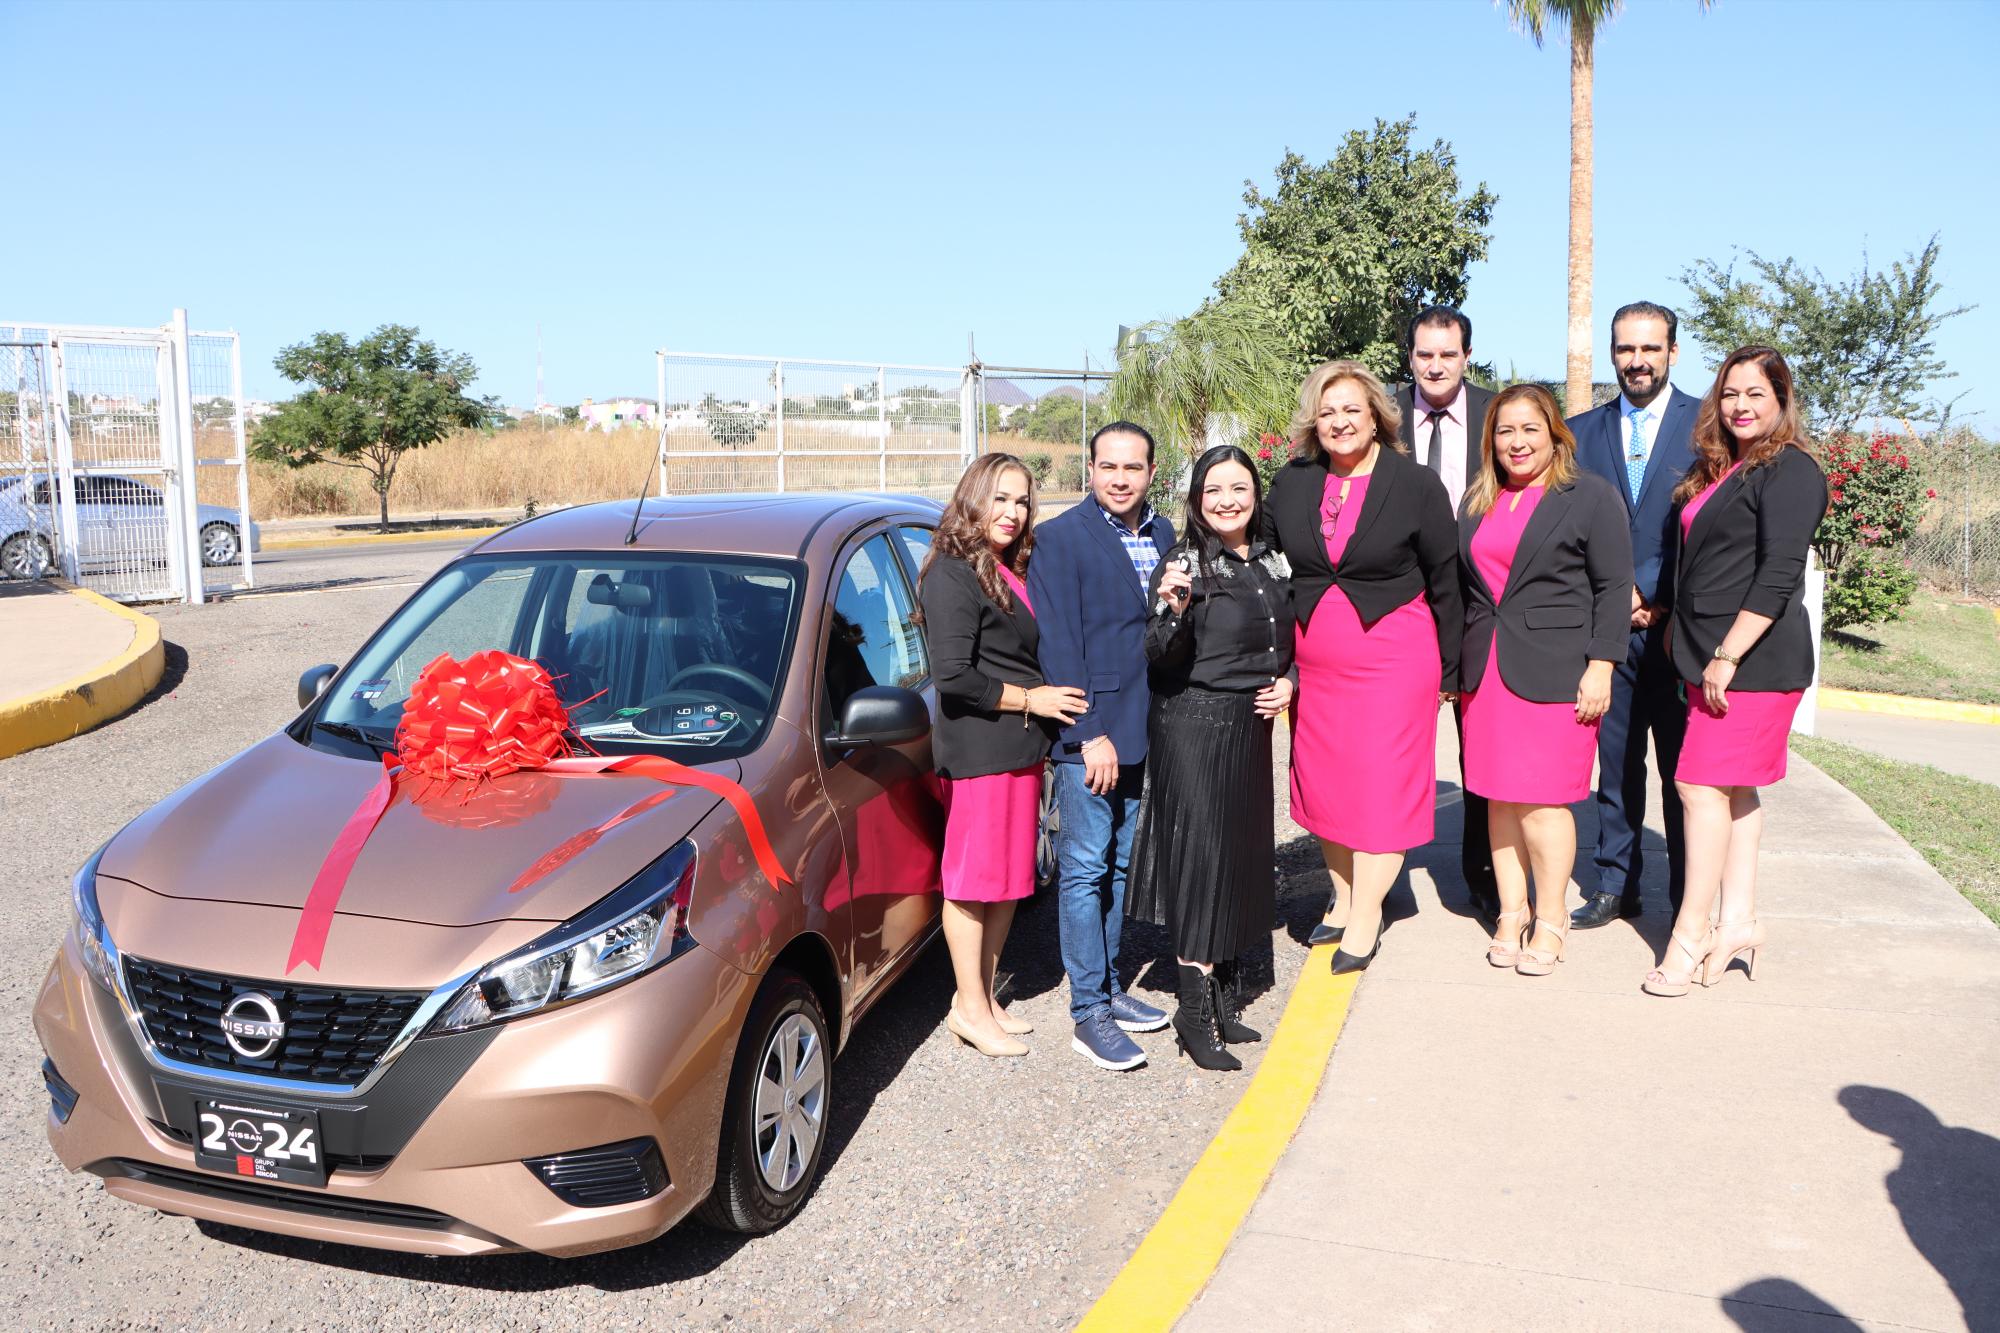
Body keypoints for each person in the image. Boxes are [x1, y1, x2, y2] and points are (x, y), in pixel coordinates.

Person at [1265, 361, 1462, 974]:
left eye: (1352, 409)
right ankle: (1344, 893)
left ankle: (1368, 912)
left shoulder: (1415, 483)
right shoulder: (1293, 481)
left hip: (1393, 660)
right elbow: (1264, 554)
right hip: (1315, 666)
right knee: (1324, 782)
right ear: (1313, 423)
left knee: (1379, 788)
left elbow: (1446, 579)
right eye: (1327, 413)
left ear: (1377, 414)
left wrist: (1452, 672)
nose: (1340, 422)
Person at [1643, 346, 1829, 997]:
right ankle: (1739, 921)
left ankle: (1691, 931)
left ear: (1781, 398)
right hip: (1709, 658)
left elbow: (1779, 574)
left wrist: (1728, 652)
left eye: (1756, 392)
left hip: (1752, 663)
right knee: (1736, 790)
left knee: (1697, 786)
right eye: (1730, 393)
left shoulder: (1792, 470)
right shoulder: (1730, 468)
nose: (1742, 405)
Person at [1128, 445, 1296, 1071]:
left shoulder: (1273, 560)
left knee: (1239, 857)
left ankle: (1226, 997)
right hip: (1194, 725)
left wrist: (1291, 680)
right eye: (1213, 490)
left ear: (1256, 492)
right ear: (1197, 500)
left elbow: (1287, 637)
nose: (1227, 500)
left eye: (1239, 487)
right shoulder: (1185, 562)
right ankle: (1193, 1015)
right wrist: (1172, 610)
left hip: (1249, 728)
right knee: (1202, 861)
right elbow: (1157, 652)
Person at [1457, 385, 1632, 975]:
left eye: (1530, 428)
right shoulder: (1479, 500)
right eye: (1505, 431)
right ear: (1492, 440)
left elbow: (1613, 587)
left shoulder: (1588, 496)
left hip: (1559, 671)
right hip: (1488, 672)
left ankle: (1551, 918)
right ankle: (1511, 913)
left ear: (1555, 432)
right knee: (1499, 800)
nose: (1517, 441)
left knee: (1544, 802)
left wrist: (1602, 665)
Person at [917, 453, 1088, 1057]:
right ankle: (967, 1006)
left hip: (1018, 749)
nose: (1013, 513)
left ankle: (985, 997)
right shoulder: (953, 573)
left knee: (1009, 882)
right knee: (972, 883)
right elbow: (954, 676)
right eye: (1000, 499)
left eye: (1022, 501)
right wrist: (1032, 699)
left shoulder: (1004, 565)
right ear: (973, 499)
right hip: (982, 750)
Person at [1028, 421, 1177, 1070]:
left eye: (1133, 467)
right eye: (1108, 466)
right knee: (1086, 869)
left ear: (1151, 471)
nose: (1120, 478)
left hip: (1145, 729)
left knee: (1120, 867)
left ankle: (1113, 988)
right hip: (1092, 736)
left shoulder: (1166, 534)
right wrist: (1088, 735)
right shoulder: (1060, 540)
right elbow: (1059, 643)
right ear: (1089, 468)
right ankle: (1088, 1011)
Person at [1568, 301, 1702, 931]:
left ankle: (1688, 893)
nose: (1637, 360)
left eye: (1650, 348)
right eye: (1625, 349)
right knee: (1616, 766)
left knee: (1683, 772)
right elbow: (1571, 528)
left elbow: (1710, 529)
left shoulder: (1707, 424)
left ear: (1672, 352)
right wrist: (1615, 594)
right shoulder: (1581, 433)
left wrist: (1652, 594)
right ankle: (1616, 883)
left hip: (1678, 628)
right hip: (1607, 630)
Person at [1395, 305, 1500, 925]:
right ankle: (1379, 875)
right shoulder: (1380, 413)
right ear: (1409, 357)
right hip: (1399, 603)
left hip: (1480, 604)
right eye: (1424, 354)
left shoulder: (1497, 416)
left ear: (1466, 356)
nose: (1435, 365)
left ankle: (1484, 876)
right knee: (1392, 747)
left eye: (1448, 354)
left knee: (1480, 748)